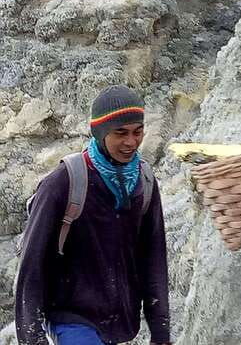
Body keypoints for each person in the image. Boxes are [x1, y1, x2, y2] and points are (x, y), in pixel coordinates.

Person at [15, 85, 172, 345]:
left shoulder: (144, 182)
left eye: (138, 131)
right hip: (72, 315)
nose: (131, 142)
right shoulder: (64, 182)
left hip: (120, 318)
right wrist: (33, 338)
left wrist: (160, 332)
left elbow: (153, 258)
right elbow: (32, 263)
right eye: (120, 133)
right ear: (99, 133)